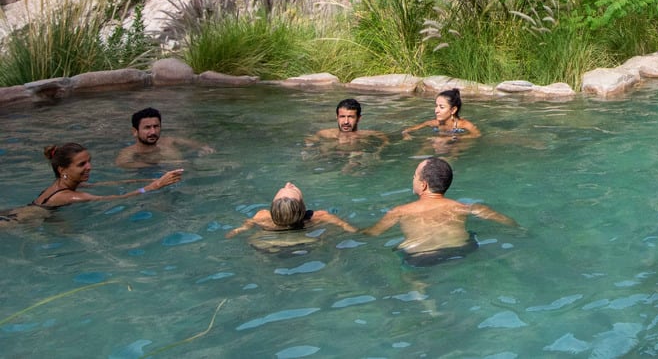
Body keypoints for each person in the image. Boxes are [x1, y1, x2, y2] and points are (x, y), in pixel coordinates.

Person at [366, 157, 516, 265]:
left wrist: (345, 226)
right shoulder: (464, 207)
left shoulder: (399, 211)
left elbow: (371, 234)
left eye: (415, 176)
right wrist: (520, 229)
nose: (413, 179)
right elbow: (507, 222)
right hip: (463, 250)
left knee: (405, 264)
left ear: (423, 185)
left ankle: (427, 304)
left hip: (421, 258)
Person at [32, 143, 184, 209]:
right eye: (81, 164)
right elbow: (117, 198)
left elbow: (110, 184)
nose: (89, 167)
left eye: (88, 162)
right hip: (23, 221)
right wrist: (155, 186)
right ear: (62, 170)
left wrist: (152, 179)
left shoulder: (64, 184)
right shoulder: (69, 196)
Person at [226, 181, 357, 238]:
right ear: (303, 207)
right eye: (290, 189)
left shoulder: (263, 216)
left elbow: (246, 226)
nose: (288, 183)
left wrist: (238, 230)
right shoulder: (318, 216)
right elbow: (345, 226)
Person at [115, 107, 215, 168]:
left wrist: (205, 149)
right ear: (135, 131)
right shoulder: (129, 153)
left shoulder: (170, 141)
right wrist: (158, 164)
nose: (153, 131)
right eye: (147, 128)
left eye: (156, 126)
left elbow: (201, 146)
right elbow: (123, 163)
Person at [402, 89, 481, 139]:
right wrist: (406, 134)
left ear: (453, 110)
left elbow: (477, 135)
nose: (436, 110)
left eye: (441, 107)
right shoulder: (434, 123)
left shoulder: (464, 125)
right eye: (436, 106)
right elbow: (407, 130)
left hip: (456, 146)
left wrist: (451, 138)